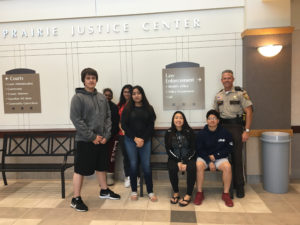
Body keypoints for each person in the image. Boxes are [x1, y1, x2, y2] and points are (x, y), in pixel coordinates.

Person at [70, 68, 120, 212]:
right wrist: (92, 137)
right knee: (80, 170)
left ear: (96, 80)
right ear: (83, 80)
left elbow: (108, 118)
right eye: (88, 78)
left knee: (101, 166)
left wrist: (106, 136)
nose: (91, 80)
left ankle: (104, 190)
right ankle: (76, 199)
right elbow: (76, 119)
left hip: (101, 140)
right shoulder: (77, 98)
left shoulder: (101, 97)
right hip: (85, 141)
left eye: (93, 78)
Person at [213, 69, 253, 198]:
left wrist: (246, 130)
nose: (227, 80)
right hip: (223, 128)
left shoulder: (241, 93)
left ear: (233, 79)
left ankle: (239, 186)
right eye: (224, 78)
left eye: (229, 78)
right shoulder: (218, 96)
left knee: (237, 158)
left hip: (236, 127)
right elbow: (216, 114)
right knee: (224, 158)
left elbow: (249, 111)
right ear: (221, 80)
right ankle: (228, 187)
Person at [121, 85, 157, 201]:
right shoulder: (127, 109)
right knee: (133, 165)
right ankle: (134, 191)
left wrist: (143, 139)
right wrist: (135, 138)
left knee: (146, 165)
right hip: (131, 140)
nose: (136, 95)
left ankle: (150, 191)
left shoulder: (149, 108)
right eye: (134, 93)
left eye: (138, 93)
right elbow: (124, 125)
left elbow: (151, 125)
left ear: (142, 94)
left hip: (145, 141)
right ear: (131, 96)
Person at [194, 110, 234, 207]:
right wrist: (209, 161)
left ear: (218, 120)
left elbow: (229, 148)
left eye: (214, 118)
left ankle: (226, 194)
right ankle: (199, 193)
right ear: (207, 120)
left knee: (228, 167)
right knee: (198, 165)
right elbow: (199, 150)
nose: (212, 120)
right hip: (205, 157)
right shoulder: (201, 134)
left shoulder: (225, 133)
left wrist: (216, 156)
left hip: (219, 158)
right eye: (210, 118)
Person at [165, 111, 196, 207]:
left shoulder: (189, 131)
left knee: (192, 168)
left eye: (181, 118)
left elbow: (193, 149)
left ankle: (188, 194)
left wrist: (185, 161)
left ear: (184, 120)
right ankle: (176, 192)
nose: (178, 120)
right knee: (172, 168)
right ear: (173, 120)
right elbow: (168, 149)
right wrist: (178, 161)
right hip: (174, 158)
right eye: (176, 117)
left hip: (188, 157)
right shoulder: (169, 132)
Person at [103, 88, 120, 186]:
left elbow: (116, 123)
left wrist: (109, 135)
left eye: (109, 95)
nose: (107, 97)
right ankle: (102, 178)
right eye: (105, 95)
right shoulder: (98, 106)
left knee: (111, 158)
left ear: (112, 96)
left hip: (113, 136)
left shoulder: (114, 107)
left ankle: (110, 177)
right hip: (101, 137)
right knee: (102, 157)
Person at [117, 84, 133, 188]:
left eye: (128, 92)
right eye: (125, 92)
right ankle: (128, 176)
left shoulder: (135, 104)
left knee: (135, 157)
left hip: (133, 135)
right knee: (126, 157)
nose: (126, 94)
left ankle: (136, 177)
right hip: (122, 135)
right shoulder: (120, 105)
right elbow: (117, 120)